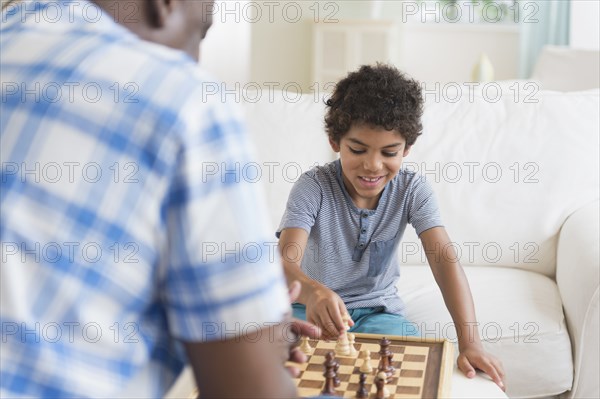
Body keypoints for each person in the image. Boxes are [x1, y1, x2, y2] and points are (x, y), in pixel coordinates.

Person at [0, 0, 318, 397]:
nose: (197, 61)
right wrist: (257, 344)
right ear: (164, 5)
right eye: (201, 35)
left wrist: (239, 331)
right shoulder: (185, 98)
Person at [277, 64, 506, 389]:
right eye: (357, 149)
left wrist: (471, 344)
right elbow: (283, 261)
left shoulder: (413, 190)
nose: (372, 165)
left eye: (389, 152)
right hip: (308, 311)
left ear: (407, 149)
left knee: (403, 371)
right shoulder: (313, 187)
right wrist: (314, 292)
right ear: (334, 141)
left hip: (378, 313)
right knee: (280, 368)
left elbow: (444, 262)